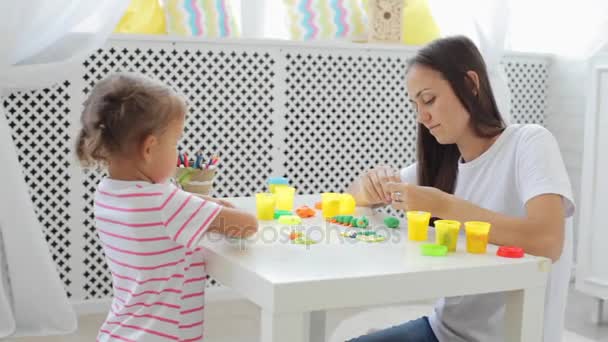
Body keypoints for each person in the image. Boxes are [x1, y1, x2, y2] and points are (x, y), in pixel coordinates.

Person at [347, 36, 574, 342]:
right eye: (415, 104)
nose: (421, 116)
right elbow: (353, 197)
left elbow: (548, 242)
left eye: (428, 100)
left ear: (470, 84)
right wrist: (370, 183)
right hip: (443, 331)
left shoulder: (529, 143)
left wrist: (444, 207)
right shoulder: (443, 167)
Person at [76, 72, 258, 341]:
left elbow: (172, 209)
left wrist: (199, 206)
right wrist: (214, 207)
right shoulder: (164, 204)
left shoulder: (107, 192)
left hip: (121, 330)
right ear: (149, 148)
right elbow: (246, 225)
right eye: (175, 142)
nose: (177, 152)